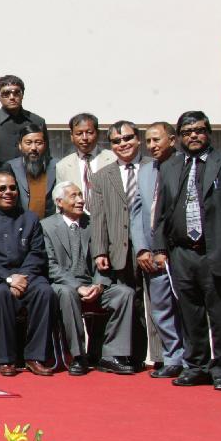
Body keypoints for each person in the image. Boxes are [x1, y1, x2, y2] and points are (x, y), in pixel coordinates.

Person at [153, 111, 221, 391]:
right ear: (179, 137)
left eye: (198, 130)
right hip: (182, 252)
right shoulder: (170, 166)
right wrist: (159, 247)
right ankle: (196, 366)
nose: (193, 135)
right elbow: (162, 210)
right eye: (187, 132)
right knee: (190, 314)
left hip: (217, 250)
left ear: (208, 132)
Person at [42, 182, 136, 376]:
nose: (80, 200)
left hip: (93, 283)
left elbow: (104, 258)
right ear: (59, 202)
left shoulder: (93, 224)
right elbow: (50, 266)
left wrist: (99, 285)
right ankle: (78, 356)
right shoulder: (46, 226)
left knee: (124, 293)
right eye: (74, 196)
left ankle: (111, 356)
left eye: (81, 195)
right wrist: (78, 287)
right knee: (67, 294)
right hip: (64, 285)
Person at [88, 120, 160, 367]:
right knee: (132, 301)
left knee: (157, 301)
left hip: (152, 247)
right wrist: (99, 251)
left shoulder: (155, 167)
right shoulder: (102, 176)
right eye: (116, 141)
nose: (123, 144)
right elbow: (98, 217)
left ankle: (162, 358)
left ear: (138, 139)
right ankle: (134, 356)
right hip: (120, 249)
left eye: (128, 138)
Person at [0, 170, 56, 377]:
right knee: (0, 294)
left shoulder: (30, 218)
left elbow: (37, 253)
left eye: (12, 188)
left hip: (27, 276)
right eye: (2, 188)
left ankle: (35, 356)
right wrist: (9, 278)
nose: (8, 192)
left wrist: (22, 277)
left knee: (45, 292)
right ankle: (6, 359)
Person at [137, 121, 186, 377]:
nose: (152, 145)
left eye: (157, 139)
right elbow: (137, 211)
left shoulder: (185, 165)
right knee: (161, 308)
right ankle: (173, 358)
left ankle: (193, 360)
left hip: (179, 250)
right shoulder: (146, 170)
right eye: (148, 141)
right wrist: (142, 248)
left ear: (172, 140)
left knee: (187, 306)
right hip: (152, 253)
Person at [54, 113, 116, 212]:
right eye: (79, 133)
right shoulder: (63, 166)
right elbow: (61, 202)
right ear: (72, 136)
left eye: (89, 132)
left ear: (98, 133)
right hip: (78, 219)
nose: (84, 138)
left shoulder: (114, 159)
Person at [0, 75, 47, 164]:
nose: (12, 97)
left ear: (22, 94)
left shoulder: (37, 121)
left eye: (16, 92)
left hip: (30, 171)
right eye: (6, 94)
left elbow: (46, 155)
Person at [6, 124, 57, 217]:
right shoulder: (10, 167)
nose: (33, 148)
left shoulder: (58, 166)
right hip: (20, 222)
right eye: (28, 143)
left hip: (50, 223)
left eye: (38, 143)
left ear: (45, 145)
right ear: (20, 145)